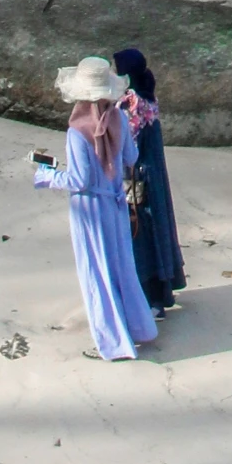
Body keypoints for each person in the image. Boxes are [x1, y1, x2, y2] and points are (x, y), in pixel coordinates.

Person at [33, 56, 156, 362]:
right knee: (121, 267)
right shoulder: (119, 120)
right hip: (115, 203)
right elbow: (130, 157)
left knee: (96, 273)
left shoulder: (77, 132)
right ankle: (139, 328)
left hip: (90, 209)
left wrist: (47, 176)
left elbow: (78, 179)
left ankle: (112, 343)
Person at [113, 47, 187, 316]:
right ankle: (162, 291)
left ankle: (150, 300)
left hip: (135, 178)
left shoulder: (131, 101)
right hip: (152, 175)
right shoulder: (147, 93)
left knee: (137, 233)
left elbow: (126, 147)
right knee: (155, 226)